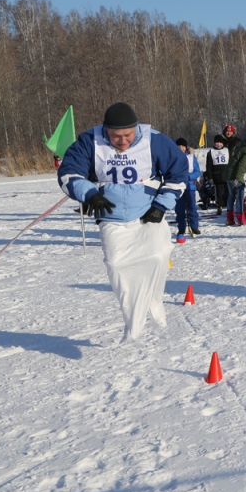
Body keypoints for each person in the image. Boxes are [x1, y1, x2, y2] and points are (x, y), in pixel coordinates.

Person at [57, 102, 187, 342]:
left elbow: (178, 172)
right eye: (116, 136)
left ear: (135, 128)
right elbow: (69, 173)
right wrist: (89, 193)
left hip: (148, 212)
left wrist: (162, 205)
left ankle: (154, 301)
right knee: (117, 265)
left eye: (128, 135)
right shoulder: (90, 141)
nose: (123, 141)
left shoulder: (154, 140)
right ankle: (133, 320)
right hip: (111, 216)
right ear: (105, 130)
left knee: (158, 256)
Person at [174, 138, 201, 235]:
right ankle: (181, 228)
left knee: (192, 207)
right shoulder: (173, 158)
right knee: (179, 209)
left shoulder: (191, 157)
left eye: (183, 146)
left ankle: (194, 226)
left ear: (186, 147)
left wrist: (189, 177)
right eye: (179, 146)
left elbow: (197, 171)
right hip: (178, 187)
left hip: (190, 186)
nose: (181, 148)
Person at [224, 135, 246, 226]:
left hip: (228, 173)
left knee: (231, 196)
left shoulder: (242, 147)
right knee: (239, 196)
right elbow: (241, 166)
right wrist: (237, 179)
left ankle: (229, 218)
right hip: (234, 175)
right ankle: (240, 218)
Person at [205, 135, 230, 214]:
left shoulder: (227, 150)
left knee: (228, 191)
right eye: (217, 142)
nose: (218, 144)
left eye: (220, 142)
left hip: (227, 175)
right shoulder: (211, 152)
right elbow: (208, 166)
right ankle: (219, 206)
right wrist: (210, 177)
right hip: (216, 175)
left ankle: (230, 206)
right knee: (218, 193)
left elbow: (231, 163)